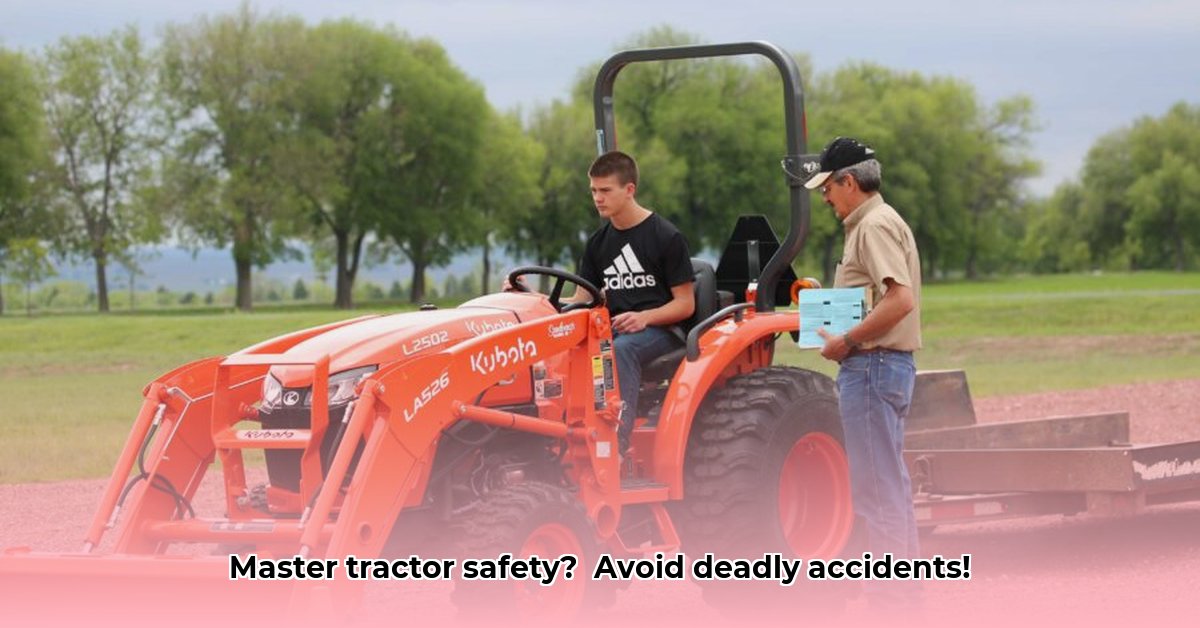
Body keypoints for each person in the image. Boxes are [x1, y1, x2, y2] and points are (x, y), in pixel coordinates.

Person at [806, 137, 923, 607]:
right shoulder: (882, 219)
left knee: (875, 491)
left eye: (828, 188)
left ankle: (889, 604)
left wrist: (847, 340)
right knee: (890, 485)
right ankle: (906, 599)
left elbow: (900, 298)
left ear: (848, 181)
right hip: (888, 367)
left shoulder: (871, 226)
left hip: (871, 366)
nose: (825, 197)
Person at [574, 151, 694, 453]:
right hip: (614, 328)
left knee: (619, 350)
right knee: (572, 348)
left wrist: (644, 317)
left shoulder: (665, 236)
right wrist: (530, 295)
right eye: (593, 191)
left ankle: (616, 441)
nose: (598, 198)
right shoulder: (598, 243)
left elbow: (685, 304)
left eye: (605, 190)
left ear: (629, 190)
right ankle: (569, 431)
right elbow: (579, 300)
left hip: (661, 331)